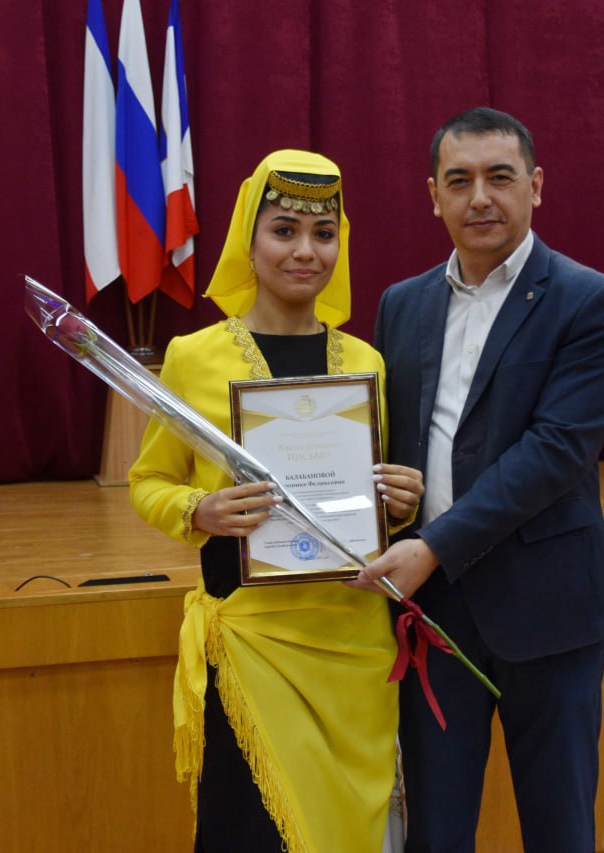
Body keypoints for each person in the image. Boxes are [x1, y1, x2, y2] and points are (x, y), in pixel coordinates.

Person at [129, 149, 424, 853]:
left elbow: (371, 497)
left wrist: (402, 502)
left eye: (323, 234)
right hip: (253, 642)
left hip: (353, 642)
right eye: (284, 230)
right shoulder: (194, 357)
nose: (305, 251)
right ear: (249, 240)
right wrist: (198, 510)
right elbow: (149, 480)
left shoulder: (366, 363)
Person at [357, 107, 604, 851]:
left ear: (535, 186)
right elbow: (388, 443)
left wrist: (432, 546)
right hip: (435, 613)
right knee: (436, 829)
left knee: (559, 827)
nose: (480, 197)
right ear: (434, 196)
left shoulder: (592, 301)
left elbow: (554, 453)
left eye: (499, 177)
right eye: (460, 180)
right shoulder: (401, 304)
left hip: (549, 607)